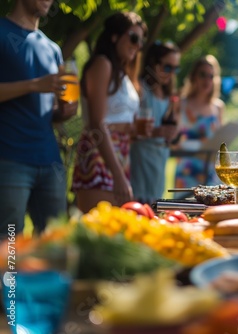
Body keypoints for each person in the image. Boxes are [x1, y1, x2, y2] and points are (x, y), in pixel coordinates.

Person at [0, 0, 78, 237]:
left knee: (54, 242)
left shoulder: (52, 48)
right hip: (10, 159)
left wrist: (62, 112)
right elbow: (37, 88)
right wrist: (35, 85)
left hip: (50, 161)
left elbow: (47, 107)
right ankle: (10, 277)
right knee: (9, 242)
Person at [71, 11, 147, 213]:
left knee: (112, 234)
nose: (138, 45)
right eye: (133, 38)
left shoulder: (122, 73)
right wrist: (118, 175)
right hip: (100, 153)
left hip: (119, 153)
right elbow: (97, 122)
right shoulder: (102, 64)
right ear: (114, 36)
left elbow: (116, 118)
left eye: (141, 41)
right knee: (96, 234)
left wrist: (132, 130)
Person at [130, 42, 181, 204]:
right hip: (139, 163)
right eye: (167, 67)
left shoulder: (168, 97)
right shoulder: (141, 90)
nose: (171, 73)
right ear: (153, 63)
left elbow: (171, 134)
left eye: (175, 69)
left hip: (159, 164)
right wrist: (157, 132)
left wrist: (174, 135)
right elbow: (129, 131)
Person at [173, 55, 225, 196]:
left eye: (211, 76)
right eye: (203, 75)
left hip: (211, 170)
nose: (207, 80)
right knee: (183, 212)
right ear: (193, 77)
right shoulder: (181, 104)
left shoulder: (218, 107)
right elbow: (173, 140)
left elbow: (220, 140)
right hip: (187, 169)